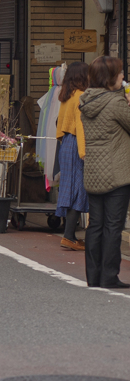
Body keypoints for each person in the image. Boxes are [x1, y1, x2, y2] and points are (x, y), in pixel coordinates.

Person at [78, 56, 130, 288]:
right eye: (120, 74)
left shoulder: (86, 102)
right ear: (110, 79)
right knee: (113, 226)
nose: (123, 78)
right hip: (117, 173)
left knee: (95, 225)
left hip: (93, 172)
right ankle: (109, 276)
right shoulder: (116, 103)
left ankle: (94, 277)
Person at [55, 61, 89, 251]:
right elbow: (81, 126)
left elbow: (60, 124)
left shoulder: (65, 96)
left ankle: (69, 235)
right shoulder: (81, 97)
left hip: (66, 144)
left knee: (69, 188)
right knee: (78, 190)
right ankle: (68, 236)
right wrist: (84, 152)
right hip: (77, 144)